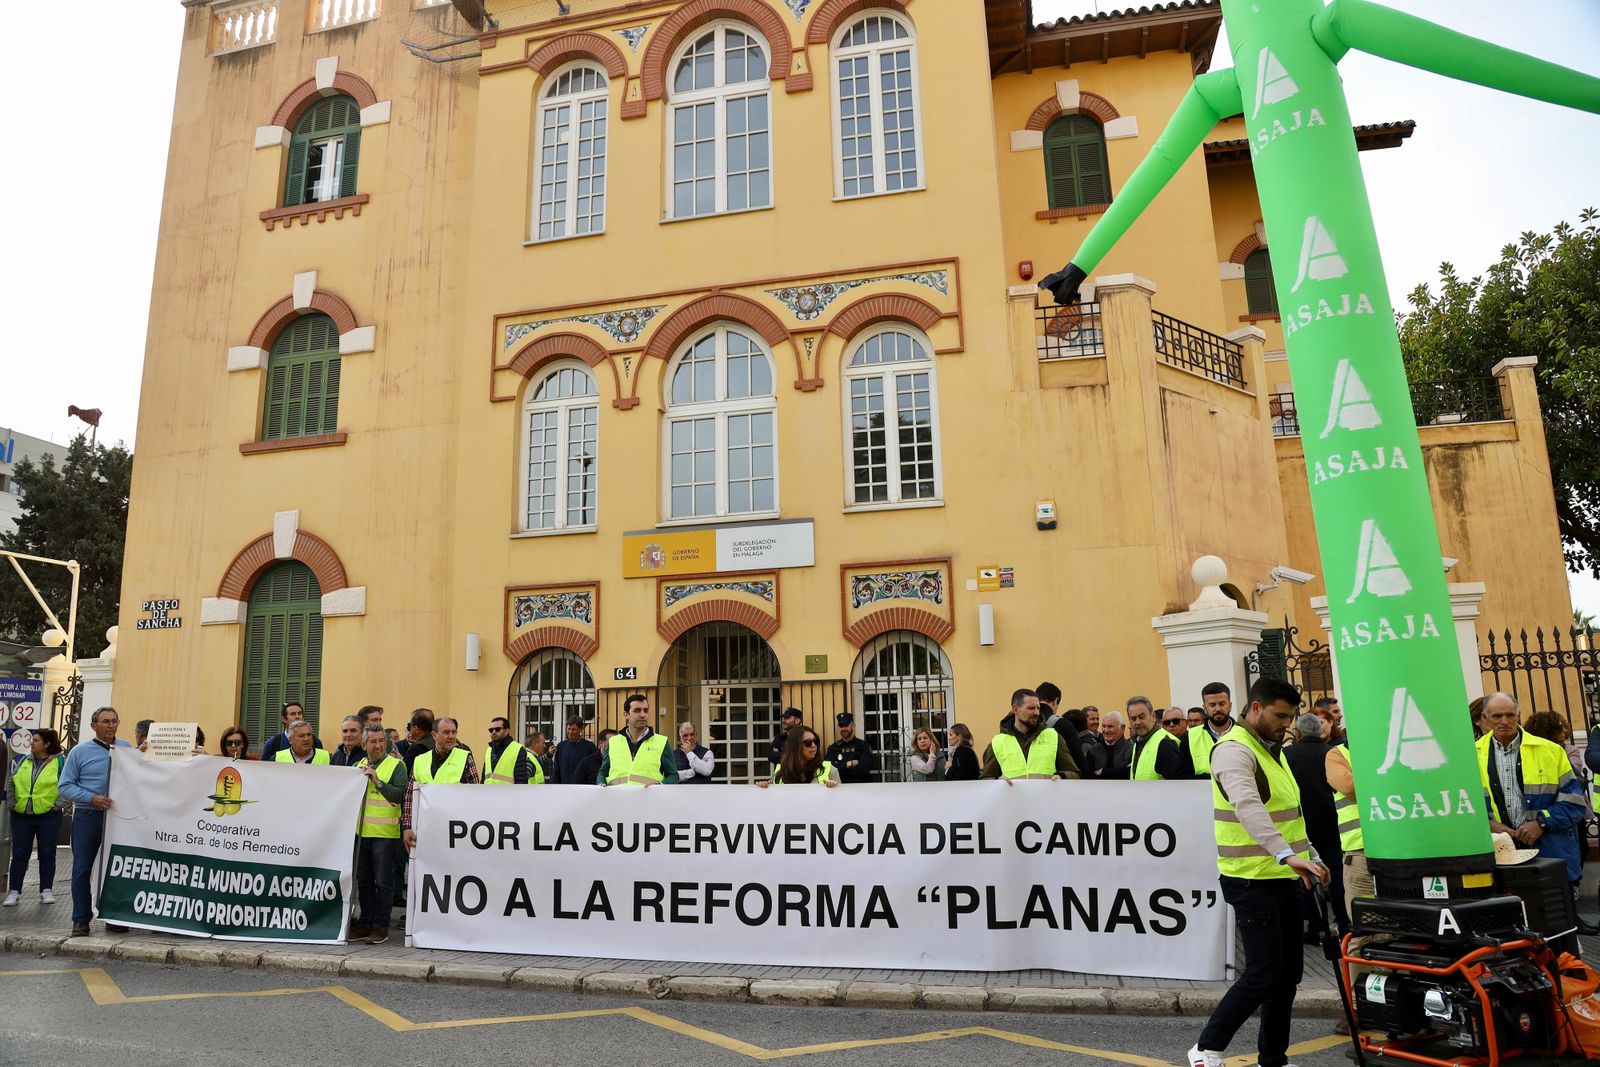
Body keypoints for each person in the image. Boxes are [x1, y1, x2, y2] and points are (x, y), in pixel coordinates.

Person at [1188, 678, 1329, 1067]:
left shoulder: (1273, 751)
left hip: (1284, 875)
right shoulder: (1234, 750)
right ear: (1254, 708)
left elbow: (1289, 815)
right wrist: (1287, 856)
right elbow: (1248, 807)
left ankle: (1274, 1059)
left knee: (1288, 977)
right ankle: (1205, 1048)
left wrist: (1310, 855)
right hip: (1251, 879)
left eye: (1290, 716)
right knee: (1265, 972)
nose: (1286, 723)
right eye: (1279, 715)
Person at [1478, 692, 1592, 931]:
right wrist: (1490, 825)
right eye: (1497, 716)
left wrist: (1541, 823)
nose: (1504, 721)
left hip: (1547, 851)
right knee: (1507, 930)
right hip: (1498, 854)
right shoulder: (1471, 756)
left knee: (1555, 929)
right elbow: (1465, 805)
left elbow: (1574, 803)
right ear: (1484, 719)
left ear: (1519, 716)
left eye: (1510, 715)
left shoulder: (1550, 751)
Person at [58, 706, 134, 937]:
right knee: (83, 868)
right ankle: (81, 920)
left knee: (116, 868)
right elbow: (65, 786)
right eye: (106, 721)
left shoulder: (126, 748)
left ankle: (113, 916)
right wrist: (91, 798)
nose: (111, 725)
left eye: (114, 721)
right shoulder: (79, 752)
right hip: (88, 816)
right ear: (94, 725)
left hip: (118, 818)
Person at [1285, 712, 1347, 940]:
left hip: (1301, 825)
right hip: (1331, 823)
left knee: (1307, 876)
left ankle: (1314, 927)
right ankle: (1344, 923)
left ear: (1299, 733)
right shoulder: (1332, 754)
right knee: (1336, 875)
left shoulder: (1288, 754)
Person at [350, 722, 407, 945]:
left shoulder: (396, 766)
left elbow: (401, 795)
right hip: (361, 833)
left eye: (381, 741)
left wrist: (378, 782)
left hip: (385, 834)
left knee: (383, 883)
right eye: (373, 741)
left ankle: (380, 926)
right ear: (364, 744)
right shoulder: (358, 765)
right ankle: (366, 922)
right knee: (363, 881)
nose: (377, 745)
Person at [5, 728, 66, 907]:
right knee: (19, 854)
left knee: (47, 853)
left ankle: (46, 890)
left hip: (48, 816)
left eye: (36, 740)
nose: (32, 743)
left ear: (47, 744)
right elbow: (12, 781)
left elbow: (66, 782)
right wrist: (11, 804)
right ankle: (14, 892)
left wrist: (59, 804)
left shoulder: (59, 762)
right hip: (22, 815)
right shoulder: (24, 760)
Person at [402, 716, 479, 853]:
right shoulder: (420, 760)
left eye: (453, 732)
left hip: (456, 830)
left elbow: (475, 796)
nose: (451, 736)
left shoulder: (465, 757)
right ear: (434, 735)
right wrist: (407, 827)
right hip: (426, 829)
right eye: (446, 732)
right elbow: (409, 796)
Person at [980, 689, 1082, 781]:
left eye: (1038, 708)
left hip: (1045, 800)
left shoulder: (1053, 736)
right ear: (1015, 709)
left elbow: (1074, 773)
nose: (1037, 712)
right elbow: (986, 778)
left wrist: (1061, 776)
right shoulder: (998, 742)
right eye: (1031, 708)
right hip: (1014, 801)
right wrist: (998, 782)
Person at [599, 695, 678, 786]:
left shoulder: (661, 742)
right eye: (637, 711)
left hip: (648, 798)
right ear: (626, 714)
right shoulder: (613, 742)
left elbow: (673, 776)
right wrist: (601, 783)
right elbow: (603, 772)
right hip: (618, 798)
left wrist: (659, 785)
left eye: (645, 710)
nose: (642, 715)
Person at [1126, 697, 1186, 780]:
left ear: (1153, 716)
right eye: (1133, 718)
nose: (1137, 722)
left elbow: (1176, 785)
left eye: (1142, 717)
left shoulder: (1166, 744)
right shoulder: (1139, 742)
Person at [1036, 681, 1089, 772]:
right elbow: (1080, 763)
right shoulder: (1063, 725)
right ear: (1055, 701)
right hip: (1055, 781)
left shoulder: (1021, 723)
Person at [759, 726, 839, 786]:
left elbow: (841, 803)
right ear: (795, 746)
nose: (814, 745)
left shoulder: (830, 769)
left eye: (815, 741)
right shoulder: (781, 770)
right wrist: (764, 789)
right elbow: (775, 802)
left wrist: (833, 790)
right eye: (808, 742)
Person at [1189, 681, 1237, 779]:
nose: (1218, 709)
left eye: (1222, 704)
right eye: (1212, 705)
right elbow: (1184, 776)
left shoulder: (1245, 734)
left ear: (1230, 705)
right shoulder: (1189, 737)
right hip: (1202, 793)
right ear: (1205, 708)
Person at [484, 716, 541, 784]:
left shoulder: (517, 749)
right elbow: (484, 777)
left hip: (509, 794)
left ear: (507, 731)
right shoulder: (489, 750)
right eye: (491, 730)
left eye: (497, 729)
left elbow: (521, 780)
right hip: (489, 793)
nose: (493, 732)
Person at [825, 712, 877, 784]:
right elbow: (828, 769)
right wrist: (848, 764)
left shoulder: (863, 746)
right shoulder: (833, 748)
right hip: (839, 788)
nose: (843, 729)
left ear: (853, 726)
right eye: (841, 726)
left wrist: (839, 768)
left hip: (860, 788)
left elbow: (863, 770)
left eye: (846, 725)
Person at [553, 716, 598, 784]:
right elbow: (556, 771)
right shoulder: (561, 746)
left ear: (581, 729)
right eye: (568, 729)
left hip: (583, 789)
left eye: (573, 729)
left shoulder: (590, 747)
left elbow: (594, 770)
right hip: (564, 789)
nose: (570, 732)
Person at [1096, 710, 1134, 779]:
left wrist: (1103, 772)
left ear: (1122, 728)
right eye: (1104, 726)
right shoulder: (1093, 751)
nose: (1106, 730)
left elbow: (1131, 773)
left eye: (1110, 726)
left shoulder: (1132, 750)